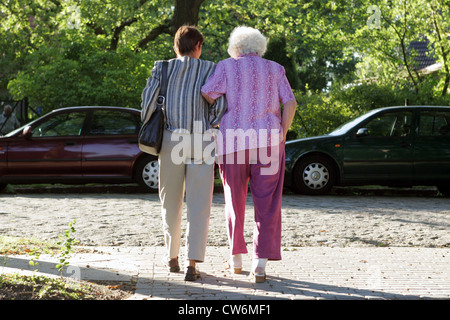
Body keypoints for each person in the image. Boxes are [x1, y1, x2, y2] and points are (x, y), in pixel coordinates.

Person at [201, 26, 297, 283]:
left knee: (235, 199)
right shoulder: (276, 69)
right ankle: (260, 264)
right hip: (268, 141)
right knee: (267, 202)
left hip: (233, 140)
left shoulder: (226, 66)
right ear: (260, 47)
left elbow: (208, 93)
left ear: (236, 47)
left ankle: (236, 258)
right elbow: (290, 102)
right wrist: (283, 132)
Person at [140, 26, 226, 281]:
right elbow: (220, 106)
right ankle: (192, 265)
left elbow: (146, 105)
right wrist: (208, 121)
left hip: (171, 137)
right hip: (201, 138)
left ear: (175, 46)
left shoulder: (162, 68)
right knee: (199, 205)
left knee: (170, 202)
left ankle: (172, 258)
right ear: (199, 45)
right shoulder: (211, 69)